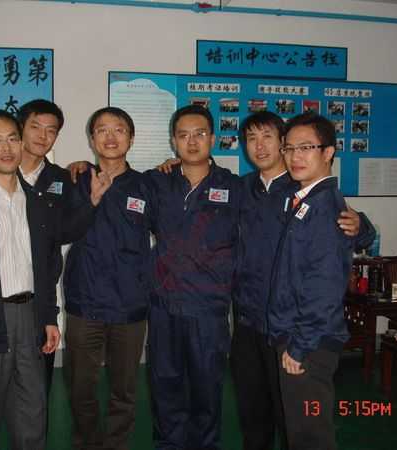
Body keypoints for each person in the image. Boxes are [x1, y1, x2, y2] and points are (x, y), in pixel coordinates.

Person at [158, 111, 374, 450]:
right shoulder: (241, 188)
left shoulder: (302, 188)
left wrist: (362, 226)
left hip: (286, 325)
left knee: (293, 419)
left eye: (268, 137)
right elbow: (203, 180)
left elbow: (340, 231)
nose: (259, 146)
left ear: (282, 143)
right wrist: (176, 166)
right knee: (253, 416)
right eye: (251, 139)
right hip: (247, 321)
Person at [0, 109, 106, 450]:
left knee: (32, 415)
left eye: (12, 138)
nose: (7, 147)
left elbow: (45, 264)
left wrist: (49, 316)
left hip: (30, 318)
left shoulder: (38, 203)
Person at [145, 105, 241, 450]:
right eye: (183, 135)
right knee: (165, 386)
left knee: (206, 388)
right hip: (164, 306)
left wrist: (359, 225)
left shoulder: (235, 187)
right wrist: (80, 169)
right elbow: (116, 188)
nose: (192, 141)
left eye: (199, 134)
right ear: (174, 141)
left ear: (213, 138)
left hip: (208, 309)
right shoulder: (158, 182)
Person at [63, 107, 152, 450]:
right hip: (85, 303)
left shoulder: (148, 185)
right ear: (92, 139)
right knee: (80, 387)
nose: (111, 137)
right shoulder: (75, 179)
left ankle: (116, 445)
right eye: (102, 130)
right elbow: (62, 231)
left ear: (131, 138)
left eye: (119, 130)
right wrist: (91, 200)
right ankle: (87, 443)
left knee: (124, 390)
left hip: (130, 306)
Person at [267, 111, 354, 450]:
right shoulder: (306, 199)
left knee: (309, 434)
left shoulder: (323, 209)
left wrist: (300, 346)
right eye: (289, 148)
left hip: (309, 342)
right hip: (300, 334)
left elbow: (324, 287)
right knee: (302, 427)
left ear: (328, 152)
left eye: (306, 147)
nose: (295, 156)